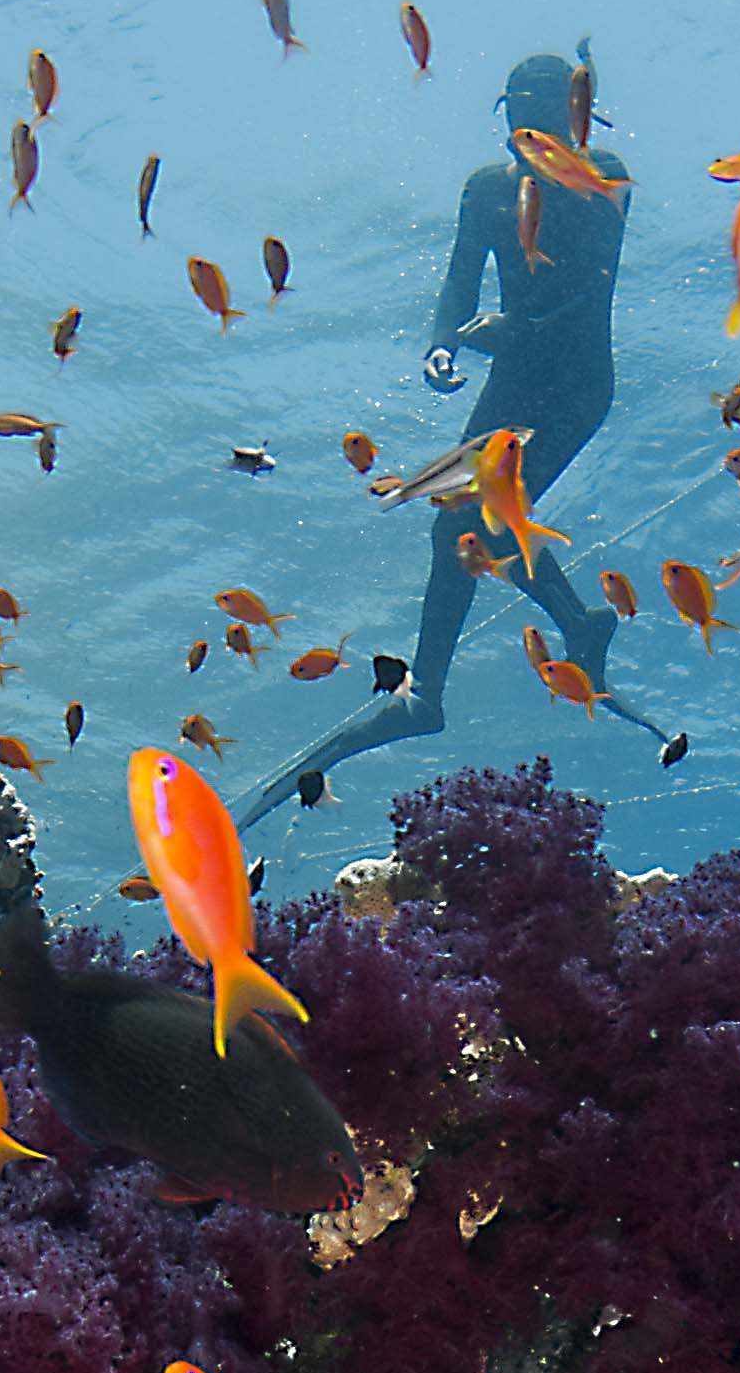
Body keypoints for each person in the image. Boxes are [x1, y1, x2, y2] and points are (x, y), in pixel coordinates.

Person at [243, 49, 669, 818]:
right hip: (513, 383)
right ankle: (434, 689)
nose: (524, 134)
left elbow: (591, 287)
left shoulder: (602, 175)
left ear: (571, 120)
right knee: (453, 528)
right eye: (516, 118)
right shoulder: (484, 191)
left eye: (541, 118)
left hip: (574, 386)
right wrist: (443, 341)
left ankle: (558, 632)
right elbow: (458, 280)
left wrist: (517, 328)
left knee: (480, 516)